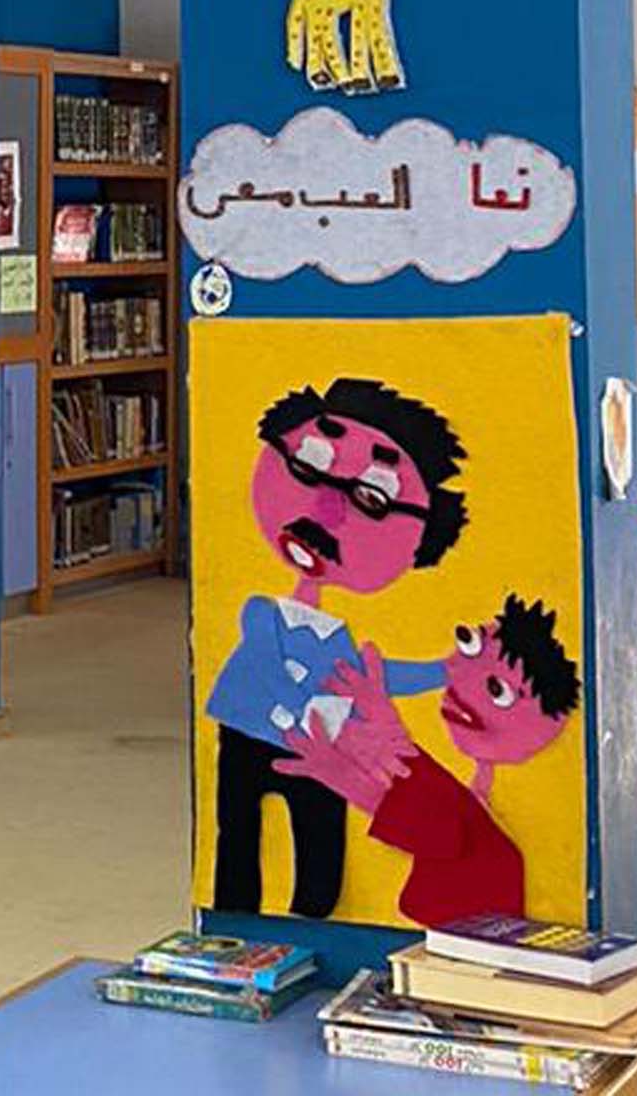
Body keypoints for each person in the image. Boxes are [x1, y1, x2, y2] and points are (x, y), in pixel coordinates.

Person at [203, 378, 464, 919]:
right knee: (237, 826)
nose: (327, 509)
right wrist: (290, 707)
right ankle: (235, 916)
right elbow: (264, 657)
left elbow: (376, 675)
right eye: (308, 465)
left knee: (319, 830)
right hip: (249, 730)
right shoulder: (263, 610)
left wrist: (446, 669)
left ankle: (313, 912)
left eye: (372, 499)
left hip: (317, 747)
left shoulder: (341, 640)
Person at [275, 596, 581, 927]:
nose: (466, 682)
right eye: (469, 642)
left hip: (465, 936)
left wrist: (340, 772)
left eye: (497, 689)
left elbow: (423, 821)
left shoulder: (486, 841)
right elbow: (413, 786)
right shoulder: (468, 798)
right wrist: (383, 723)